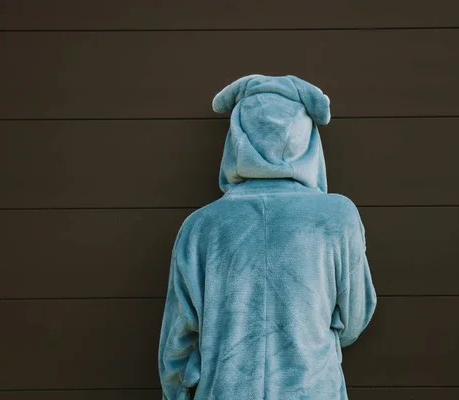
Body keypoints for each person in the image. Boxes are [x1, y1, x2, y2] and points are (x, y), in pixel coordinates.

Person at [158, 74, 377, 400]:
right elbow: (355, 317)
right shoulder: (338, 218)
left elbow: (177, 346)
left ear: (237, 139)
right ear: (307, 138)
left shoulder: (200, 227)